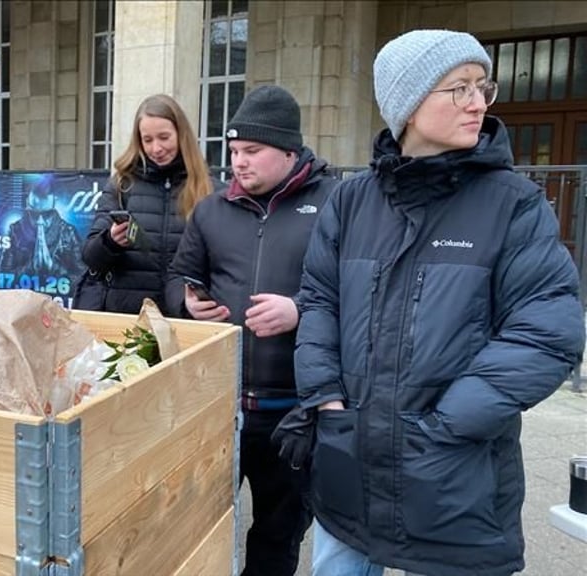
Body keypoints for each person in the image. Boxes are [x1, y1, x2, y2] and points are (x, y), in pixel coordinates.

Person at [291, 29, 585, 576]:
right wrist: (326, 400)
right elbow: (318, 303)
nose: (478, 103)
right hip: (349, 469)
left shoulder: (513, 205)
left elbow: (547, 333)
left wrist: (446, 426)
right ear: (407, 103)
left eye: (482, 86)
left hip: (456, 480)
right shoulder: (351, 201)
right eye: (459, 88)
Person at [166, 85, 337, 576]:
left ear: (289, 151)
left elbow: (358, 292)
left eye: (252, 151)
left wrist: (300, 310)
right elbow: (178, 277)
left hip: (295, 414)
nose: (238, 162)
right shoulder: (211, 210)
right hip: (220, 409)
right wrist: (186, 303)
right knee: (198, 531)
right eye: (234, 150)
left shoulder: (335, 204)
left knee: (276, 540)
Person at [74, 93, 215, 315]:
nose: (156, 148)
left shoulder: (209, 189)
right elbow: (90, 257)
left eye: (164, 137)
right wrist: (110, 242)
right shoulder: (122, 185)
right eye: (147, 140)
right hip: (126, 320)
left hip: (184, 320)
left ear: (182, 135)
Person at [0, 174, 83, 277]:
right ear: (27, 200)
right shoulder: (15, 230)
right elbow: (4, 275)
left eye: (46, 215)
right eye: (35, 215)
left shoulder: (68, 232)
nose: (40, 221)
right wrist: (30, 268)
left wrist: (53, 267)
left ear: (55, 200)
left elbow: (81, 276)